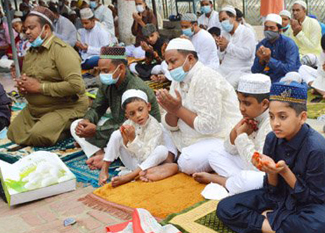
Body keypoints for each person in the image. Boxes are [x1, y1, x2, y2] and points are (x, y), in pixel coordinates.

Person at [216, 79, 325, 233]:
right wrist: (271, 172)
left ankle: (274, 221)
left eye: (282, 117)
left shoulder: (317, 149)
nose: (275, 123)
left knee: (319, 228)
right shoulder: (272, 139)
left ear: (302, 117)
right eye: (271, 116)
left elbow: (315, 197)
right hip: (282, 197)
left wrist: (285, 172)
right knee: (226, 207)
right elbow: (272, 190)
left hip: (316, 204)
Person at [156, 38, 242, 175]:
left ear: (190, 59)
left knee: (187, 161)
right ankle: (170, 160)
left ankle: (174, 160)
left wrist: (178, 109)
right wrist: (172, 111)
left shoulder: (206, 77)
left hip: (218, 137)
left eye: (173, 61)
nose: (170, 67)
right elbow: (171, 125)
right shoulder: (178, 81)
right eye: (167, 63)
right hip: (190, 136)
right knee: (158, 127)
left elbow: (209, 126)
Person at [7, 7, 90, 147]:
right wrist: (23, 85)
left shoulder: (61, 51)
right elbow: (29, 82)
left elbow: (77, 86)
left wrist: (40, 87)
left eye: (31, 28)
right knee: (13, 133)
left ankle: (69, 128)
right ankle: (51, 129)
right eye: (25, 29)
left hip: (64, 107)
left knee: (37, 136)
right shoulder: (31, 52)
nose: (27, 32)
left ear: (45, 28)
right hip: (36, 109)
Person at [72, 47, 160, 170]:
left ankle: (107, 156)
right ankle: (100, 154)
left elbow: (134, 125)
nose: (102, 75)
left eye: (105, 71)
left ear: (121, 68)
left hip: (139, 131)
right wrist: (87, 121)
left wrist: (97, 130)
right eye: (100, 71)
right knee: (76, 125)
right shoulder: (107, 84)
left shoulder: (136, 88)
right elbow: (97, 108)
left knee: (117, 136)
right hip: (115, 126)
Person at [194, 74, 271, 195]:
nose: (241, 108)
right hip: (248, 165)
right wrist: (236, 131)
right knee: (215, 154)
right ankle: (237, 183)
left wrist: (241, 136)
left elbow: (258, 166)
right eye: (239, 102)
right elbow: (229, 150)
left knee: (249, 178)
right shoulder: (251, 115)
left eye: (247, 103)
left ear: (265, 104)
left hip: (264, 171)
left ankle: (223, 181)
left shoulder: (271, 123)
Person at [99, 89, 178, 186]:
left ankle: (131, 176)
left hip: (147, 162)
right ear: (127, 115)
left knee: (162, 150)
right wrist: (125, 141)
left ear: (148, 107)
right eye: (132, 113)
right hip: (132, 162)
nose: (138, 115)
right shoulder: (128, 124)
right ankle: (104, 169)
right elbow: (126, 148)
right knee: (116, 134)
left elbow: (147, 156)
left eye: (140, 110)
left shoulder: (155, 127)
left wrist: (133, 140)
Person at [251, 14, 300, 83]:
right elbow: (254, 71)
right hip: (269, 77)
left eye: (272, 28)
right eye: (266, 28)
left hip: (285, 76)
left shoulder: (289, 43)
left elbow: (290, 69)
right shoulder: (262, 44)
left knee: (293, 76)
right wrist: (261, 60)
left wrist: (269, 60)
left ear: (279, 30)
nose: (268, 30)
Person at [216, 6, 257, 88]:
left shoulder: (246, 32)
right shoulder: (224, 33)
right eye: (220, 21)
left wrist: (228, 45)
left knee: (226, 87)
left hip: (241, 70)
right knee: (212, 82)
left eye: (224, 19)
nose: (222, 23)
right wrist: (221, 48)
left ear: (234, 17)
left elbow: (247, 54)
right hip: (224, 68)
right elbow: (220, 57)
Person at [289, 0, 322, 68]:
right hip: (298, 55)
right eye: (293, 10)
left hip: (313, 55)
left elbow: (313, 47)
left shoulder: (313, 23)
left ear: (304, 11)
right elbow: (292, 45)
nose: (295, 13)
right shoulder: (292, 25)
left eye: (298, 10)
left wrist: (298, 33)